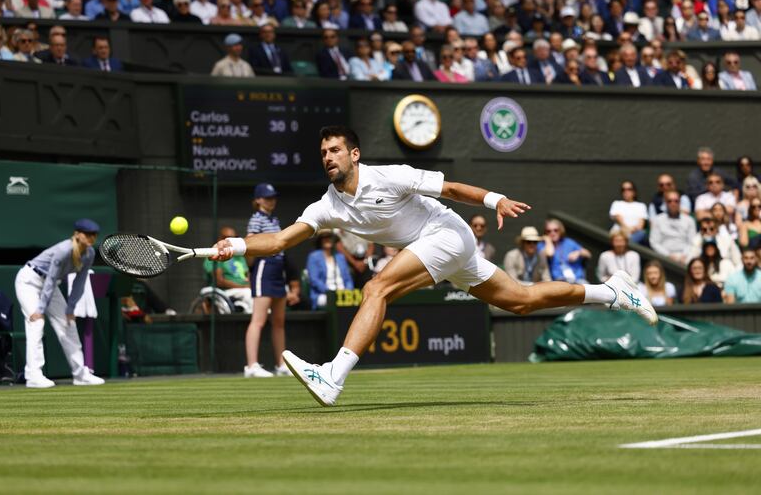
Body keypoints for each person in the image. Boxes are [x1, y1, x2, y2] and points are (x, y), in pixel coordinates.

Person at [212, 126, 657, 406]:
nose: (327, 156)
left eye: (335, 150)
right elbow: (280, 239)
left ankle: (333, 376)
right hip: (440, 248)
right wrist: (232, 245)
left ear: (355, 154)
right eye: (323, 151)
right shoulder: (327, 206)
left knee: (376, 288)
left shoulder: (390, 175)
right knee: (520, 301)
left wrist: (494, 198)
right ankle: (614, 291)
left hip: (448, 234)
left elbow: (452, 188)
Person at [14, 219, 105, 388]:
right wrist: (40, 309)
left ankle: (80, 375)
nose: (91, 238)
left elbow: (80, 281)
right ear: (77, 234)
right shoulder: (64, 250)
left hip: (50, 286)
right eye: (87, 234)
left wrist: (71, 308)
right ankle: (33, 375)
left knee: (68, 323)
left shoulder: (90, 253)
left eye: (94, 235)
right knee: (37, 322)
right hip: (29, 281)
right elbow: (50, 279)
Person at [242, 183, 298, 378]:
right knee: (258, 320)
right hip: (264, 268)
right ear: (258, 200)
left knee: (279, 321)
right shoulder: (256, 219)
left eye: (273, 197)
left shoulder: (274, 219)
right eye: (267, 197)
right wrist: (251, 267)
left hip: (278, 270)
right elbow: (249, 244)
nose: (271, 200)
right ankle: (251, 366)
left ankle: (281, 364)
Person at [203, 225, 252, 313]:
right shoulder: (215, 255)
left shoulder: (240, 257)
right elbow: (220, 281)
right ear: (219, 239)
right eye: (225, 238)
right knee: (248, 293)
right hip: (224, 292)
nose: (229, 241)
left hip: (243, 291)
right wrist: (244, 287)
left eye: (234, 238)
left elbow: (247, 276)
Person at [306, 230, 354, 309]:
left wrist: (347, 292)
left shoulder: (340, 257)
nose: (327, 239)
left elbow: (348, 279)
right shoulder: (314, 257)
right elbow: (314, 280)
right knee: (330, 302)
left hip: (343, 293)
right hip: (324, 294)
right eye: (324, 237)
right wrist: (331, 293)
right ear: (320, 240)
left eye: (329, 237)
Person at [539, 218, 591, 283]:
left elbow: (588, 254)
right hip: (558, 281)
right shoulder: (543, 245)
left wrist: (578, 253)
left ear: (560, 230)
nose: (552, 233)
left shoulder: (568, 242)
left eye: (556, 230)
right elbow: (550, 254)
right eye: (549, 231)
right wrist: (548, 241)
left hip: (577, 279)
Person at [609, 180, 648, 244]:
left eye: (629, 189)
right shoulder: (617, 203)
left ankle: (625, 245)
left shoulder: (641, 206)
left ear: (634, 191)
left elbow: (640, 225)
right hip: (619, 234)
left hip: (634, 235)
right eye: (623, 189)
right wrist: (628, 229)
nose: (626, 191)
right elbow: (619, 219)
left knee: (642, 233)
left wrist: (632, 230)